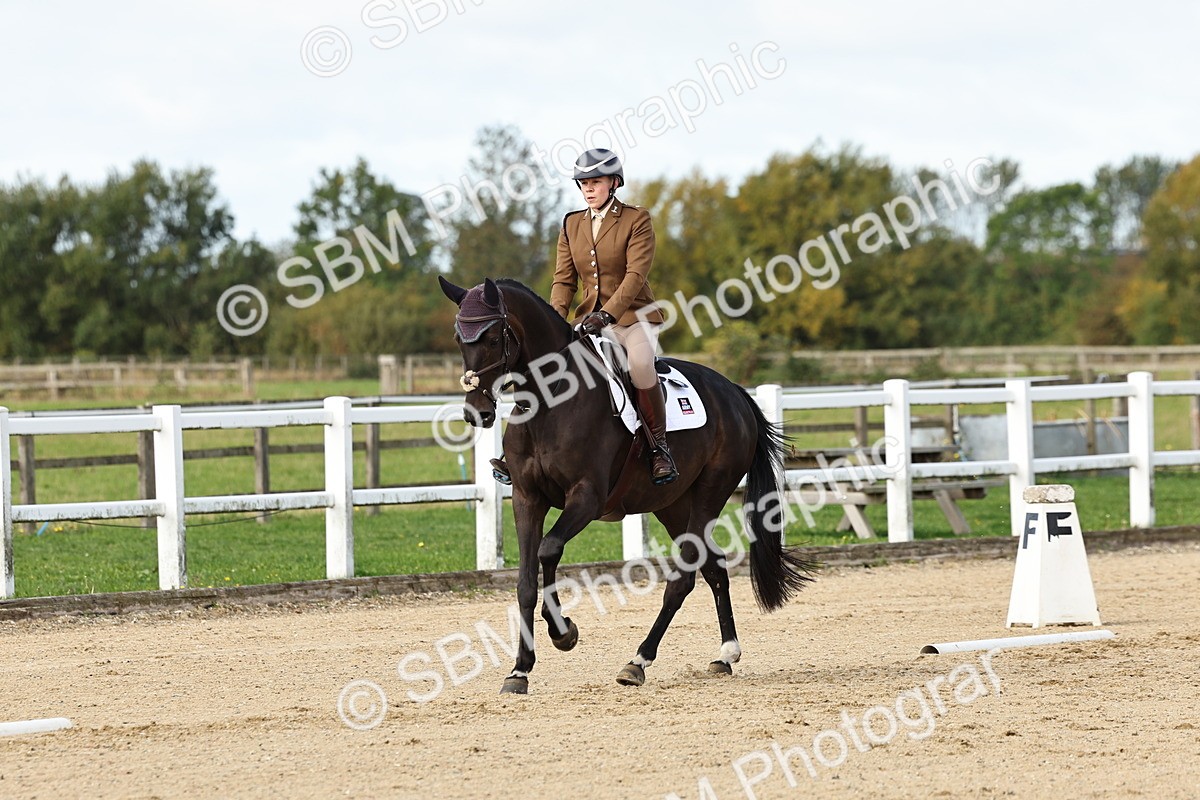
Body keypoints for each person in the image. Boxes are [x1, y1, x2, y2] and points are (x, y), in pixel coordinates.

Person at [490, 147, 678, 486]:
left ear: (614, 182)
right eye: (583, 183)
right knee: (544, 367)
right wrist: (551, 321)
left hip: (633, 318)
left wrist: (607, 316)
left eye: (596, 182)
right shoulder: (571, 223)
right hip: (585, 321)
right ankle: (516, 452)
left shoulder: (637, 219)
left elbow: (635, 276)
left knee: (639, 365)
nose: (588, 189)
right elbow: (564, 280)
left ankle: (658, 448)